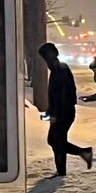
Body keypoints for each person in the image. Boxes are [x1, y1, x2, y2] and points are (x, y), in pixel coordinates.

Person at [38, 43, 92, 176]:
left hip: (63, 113)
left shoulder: (59, 70)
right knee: (55, 140)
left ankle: (79, 156)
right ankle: (81, 154)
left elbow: (61, 95)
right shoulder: (58, 69)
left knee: (56, 140)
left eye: (45, 57)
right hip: (63, 112)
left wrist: (55, 114)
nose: (45, 61)